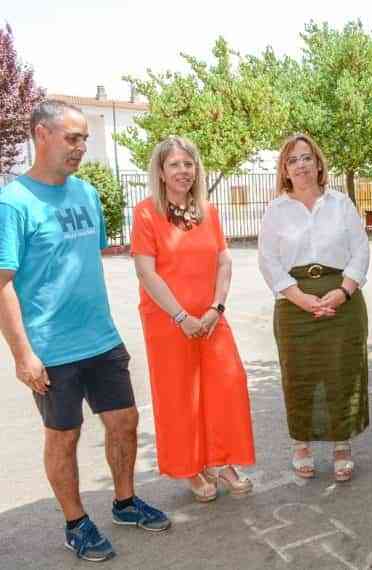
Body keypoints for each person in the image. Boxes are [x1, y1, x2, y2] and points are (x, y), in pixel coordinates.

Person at [0, 100, 169, 563]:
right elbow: (2, 285)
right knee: (64, 436)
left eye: (84, 140)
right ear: (40, 134)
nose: (80, 147)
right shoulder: (12, 203)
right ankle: (76, 523)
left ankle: (125, 502)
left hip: (101, 338)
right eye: (72, 138)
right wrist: (22, 354)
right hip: (51, 349)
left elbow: (85, 262)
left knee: (125, 422)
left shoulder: (88, 194)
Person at [130, 136, 256, 502]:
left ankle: (223, 460)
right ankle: (191, 467)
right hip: (168, 322)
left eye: (188, 164)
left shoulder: (208, 211)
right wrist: (181, 316)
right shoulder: (145, 213)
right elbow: (146, 273)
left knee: (226, 387)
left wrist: (216, 308)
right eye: (174, 164)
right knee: (180, 397)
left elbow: (224, 261)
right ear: (161, 171)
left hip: (211, 318)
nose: (183, 171)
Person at [258, 133, 370, 482]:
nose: (301, 165)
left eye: (307, 157)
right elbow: (268, 261)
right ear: (285, 170)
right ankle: (301, 444)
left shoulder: (341, 204)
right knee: (299, 375)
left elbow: (361, 250)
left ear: (318, 163)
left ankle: (341, 444)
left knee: (342, 373)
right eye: (293, 160)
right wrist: (299, 297)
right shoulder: (276, 210)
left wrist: (344, 291)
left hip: (342, 301)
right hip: (295, 305)